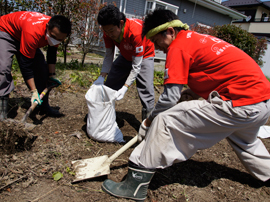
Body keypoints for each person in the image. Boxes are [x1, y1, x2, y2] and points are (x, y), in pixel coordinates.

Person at [101, 9, 270, 201]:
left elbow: (169, 98)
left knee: (165, 120)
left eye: (157, 41)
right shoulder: (196, 39)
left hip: (238, 106)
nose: (159, 49)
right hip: (260, 105)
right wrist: (194, 93)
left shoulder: (177, 47)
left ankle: (135, 182)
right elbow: (220, 73)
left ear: (170, 32)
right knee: (246, 142)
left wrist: (149, 121)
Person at [0, 11, 72, 120]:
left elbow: (52, 54)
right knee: (3, 69)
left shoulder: (57, 31)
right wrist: (33, 91)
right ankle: (2, 113)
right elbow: (26, 65)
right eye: (53, 37)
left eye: (60, 40)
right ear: (47, 27)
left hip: (24, 33)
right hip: (6, 31)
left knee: (42, 70)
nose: (56, 41)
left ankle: (43, 106)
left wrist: (51, 75)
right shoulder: (33, 32)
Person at [95, 5, 155, 120]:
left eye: (111, 30)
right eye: (106, 31)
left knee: (146, 89)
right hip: (125, 54)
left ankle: (149, 121)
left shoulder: (136, 32)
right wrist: (102, 75)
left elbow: (136, 66)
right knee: (110, 83)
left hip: (144, 55)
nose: (109, 34)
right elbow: (109, 55)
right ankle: (104, 116)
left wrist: (125, 87)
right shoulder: (107, 33)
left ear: (121, 23)